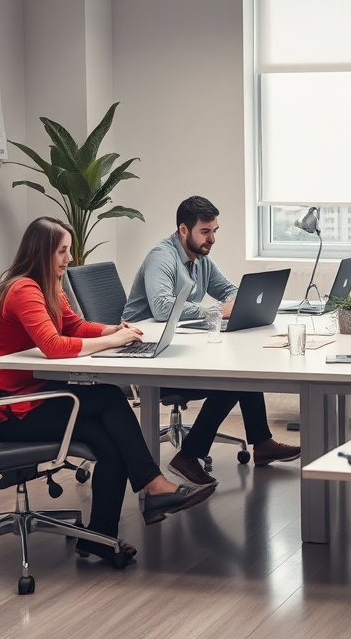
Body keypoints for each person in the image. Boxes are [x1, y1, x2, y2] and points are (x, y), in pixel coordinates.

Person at [0, 217, 215, 567]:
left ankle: (100, 539)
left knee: (110, 444)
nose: (68, 258)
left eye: (68, 250)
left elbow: (74, 326)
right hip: (11, 410)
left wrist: (114, 329)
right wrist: (112, 341)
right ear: (41, 252)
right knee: (108, 397)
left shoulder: (48, 285)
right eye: (61, 251)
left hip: (37, 395)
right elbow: (53, 345)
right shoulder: (24, 290)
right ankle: (153, 485)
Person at [123, 195, 301, 487]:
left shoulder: (202, 258)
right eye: (205, 231)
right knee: (231, 379)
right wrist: (219, 310)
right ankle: (188, 456)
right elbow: (162, 308)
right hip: (149, 355)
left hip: (179, 347)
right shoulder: (161, 257)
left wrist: (240, 303)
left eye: (214, 230)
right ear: (183, 230)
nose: (212, 238)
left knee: (245, 369)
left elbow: (228, 290)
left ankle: (262, 443)